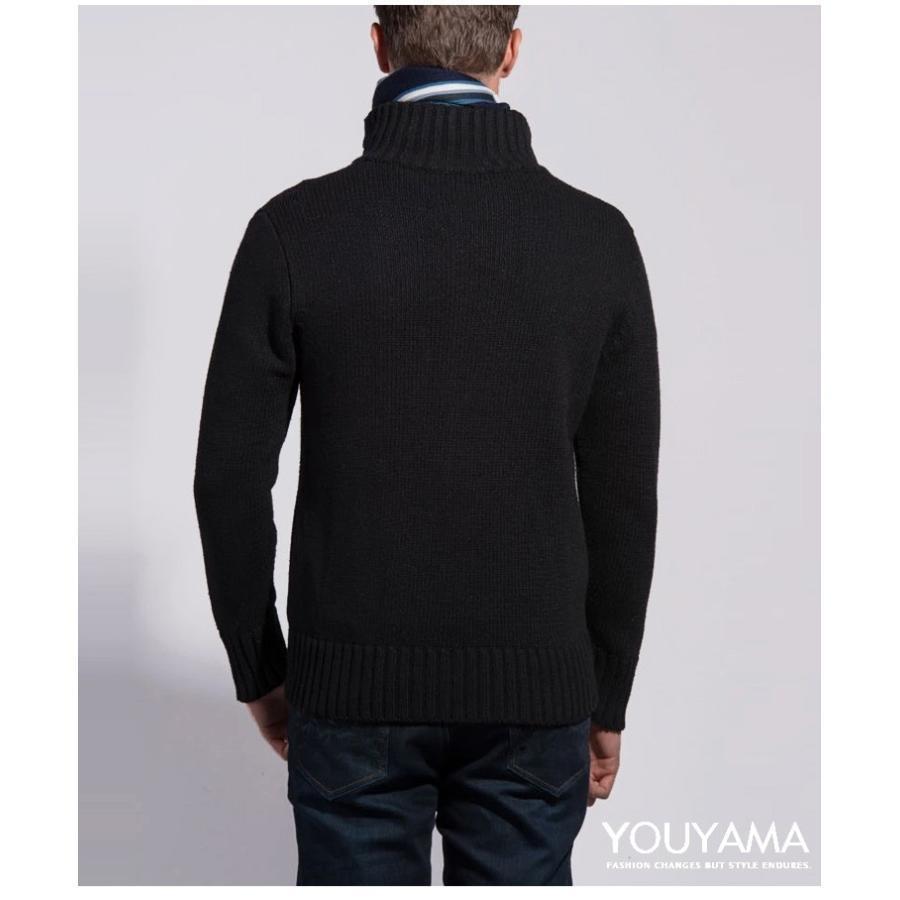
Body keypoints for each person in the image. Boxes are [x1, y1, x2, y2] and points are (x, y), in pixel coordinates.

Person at [193, 4, 660, 886]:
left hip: (351, 697)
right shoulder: (598, 242)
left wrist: (261, 669)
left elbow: (227, 478)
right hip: (536, 698)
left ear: (379, 45)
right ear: (512, 52)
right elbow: (623, 500)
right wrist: (607, 693)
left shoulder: (294, 230)